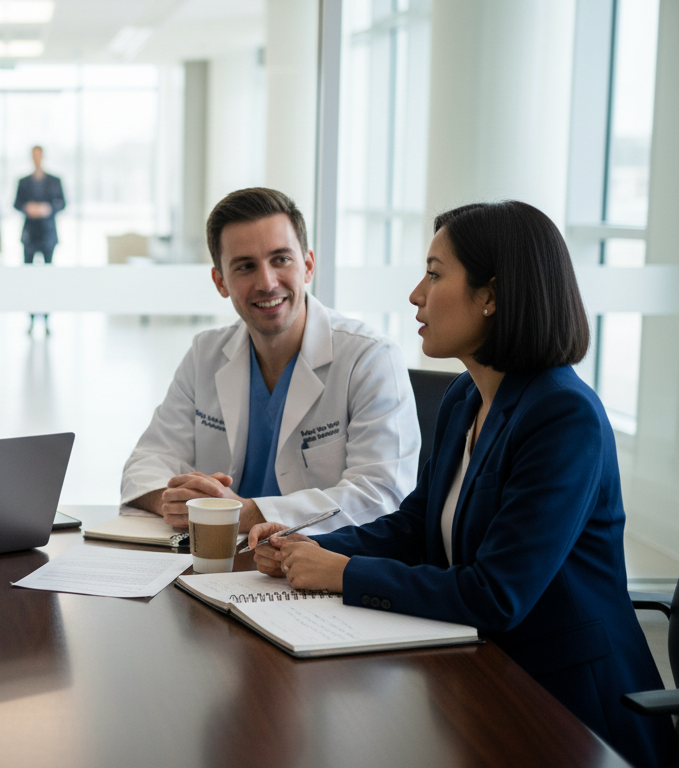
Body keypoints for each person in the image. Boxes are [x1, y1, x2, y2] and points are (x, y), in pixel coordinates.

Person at [248, 201, 674, 768]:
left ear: (491, 295)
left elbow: (496, 595)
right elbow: (414, 526)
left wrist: (341, 573)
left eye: (434, 273)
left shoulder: (563, 417)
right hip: (477, 671)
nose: (415, 295)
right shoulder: (464, 398)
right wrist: (311, 547)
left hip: (566, 708)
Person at [122, 187, 419, 535]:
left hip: (319, 567)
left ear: (307, 265)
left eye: (281, 259)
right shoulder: (206, 354)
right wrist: (172, 500)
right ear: (220, 282)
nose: (267, 282)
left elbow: (381, 495)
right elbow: (145, 465)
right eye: (245, 266)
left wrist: (243, 514)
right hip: (219, 564)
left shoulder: (370, 359)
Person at [13, 145, 66, 334]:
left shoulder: (54, 180)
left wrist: (47, 209)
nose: (37, 158)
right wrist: (28, 207)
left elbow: (62, 203)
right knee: (29, 278)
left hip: (48, 234)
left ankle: (47, 318)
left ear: (43, 157)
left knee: (47, 277)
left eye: (39, 155)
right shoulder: (23, 181)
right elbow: (16, 203)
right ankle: (30, 318)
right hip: (29, 235)